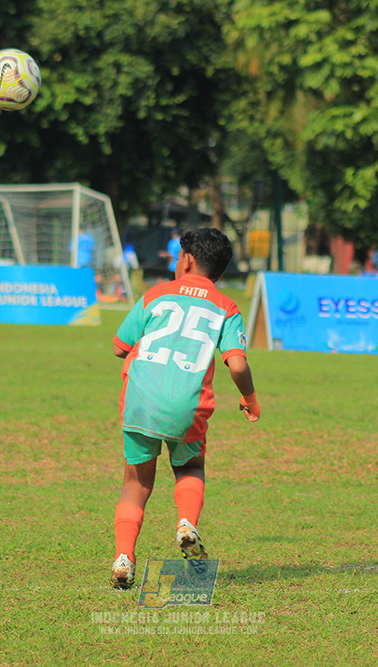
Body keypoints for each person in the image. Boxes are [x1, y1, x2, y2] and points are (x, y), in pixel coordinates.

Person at [109, 228, 260, 589]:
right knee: (190, 467)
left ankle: (124, 558)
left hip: (140, 399)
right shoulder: (226, 307)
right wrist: (250, 399)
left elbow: (119, 346)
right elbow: (237, 365)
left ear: (187, 259)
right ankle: (186, 523)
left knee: (136, 483)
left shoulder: (156, 294)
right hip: (187, 405)